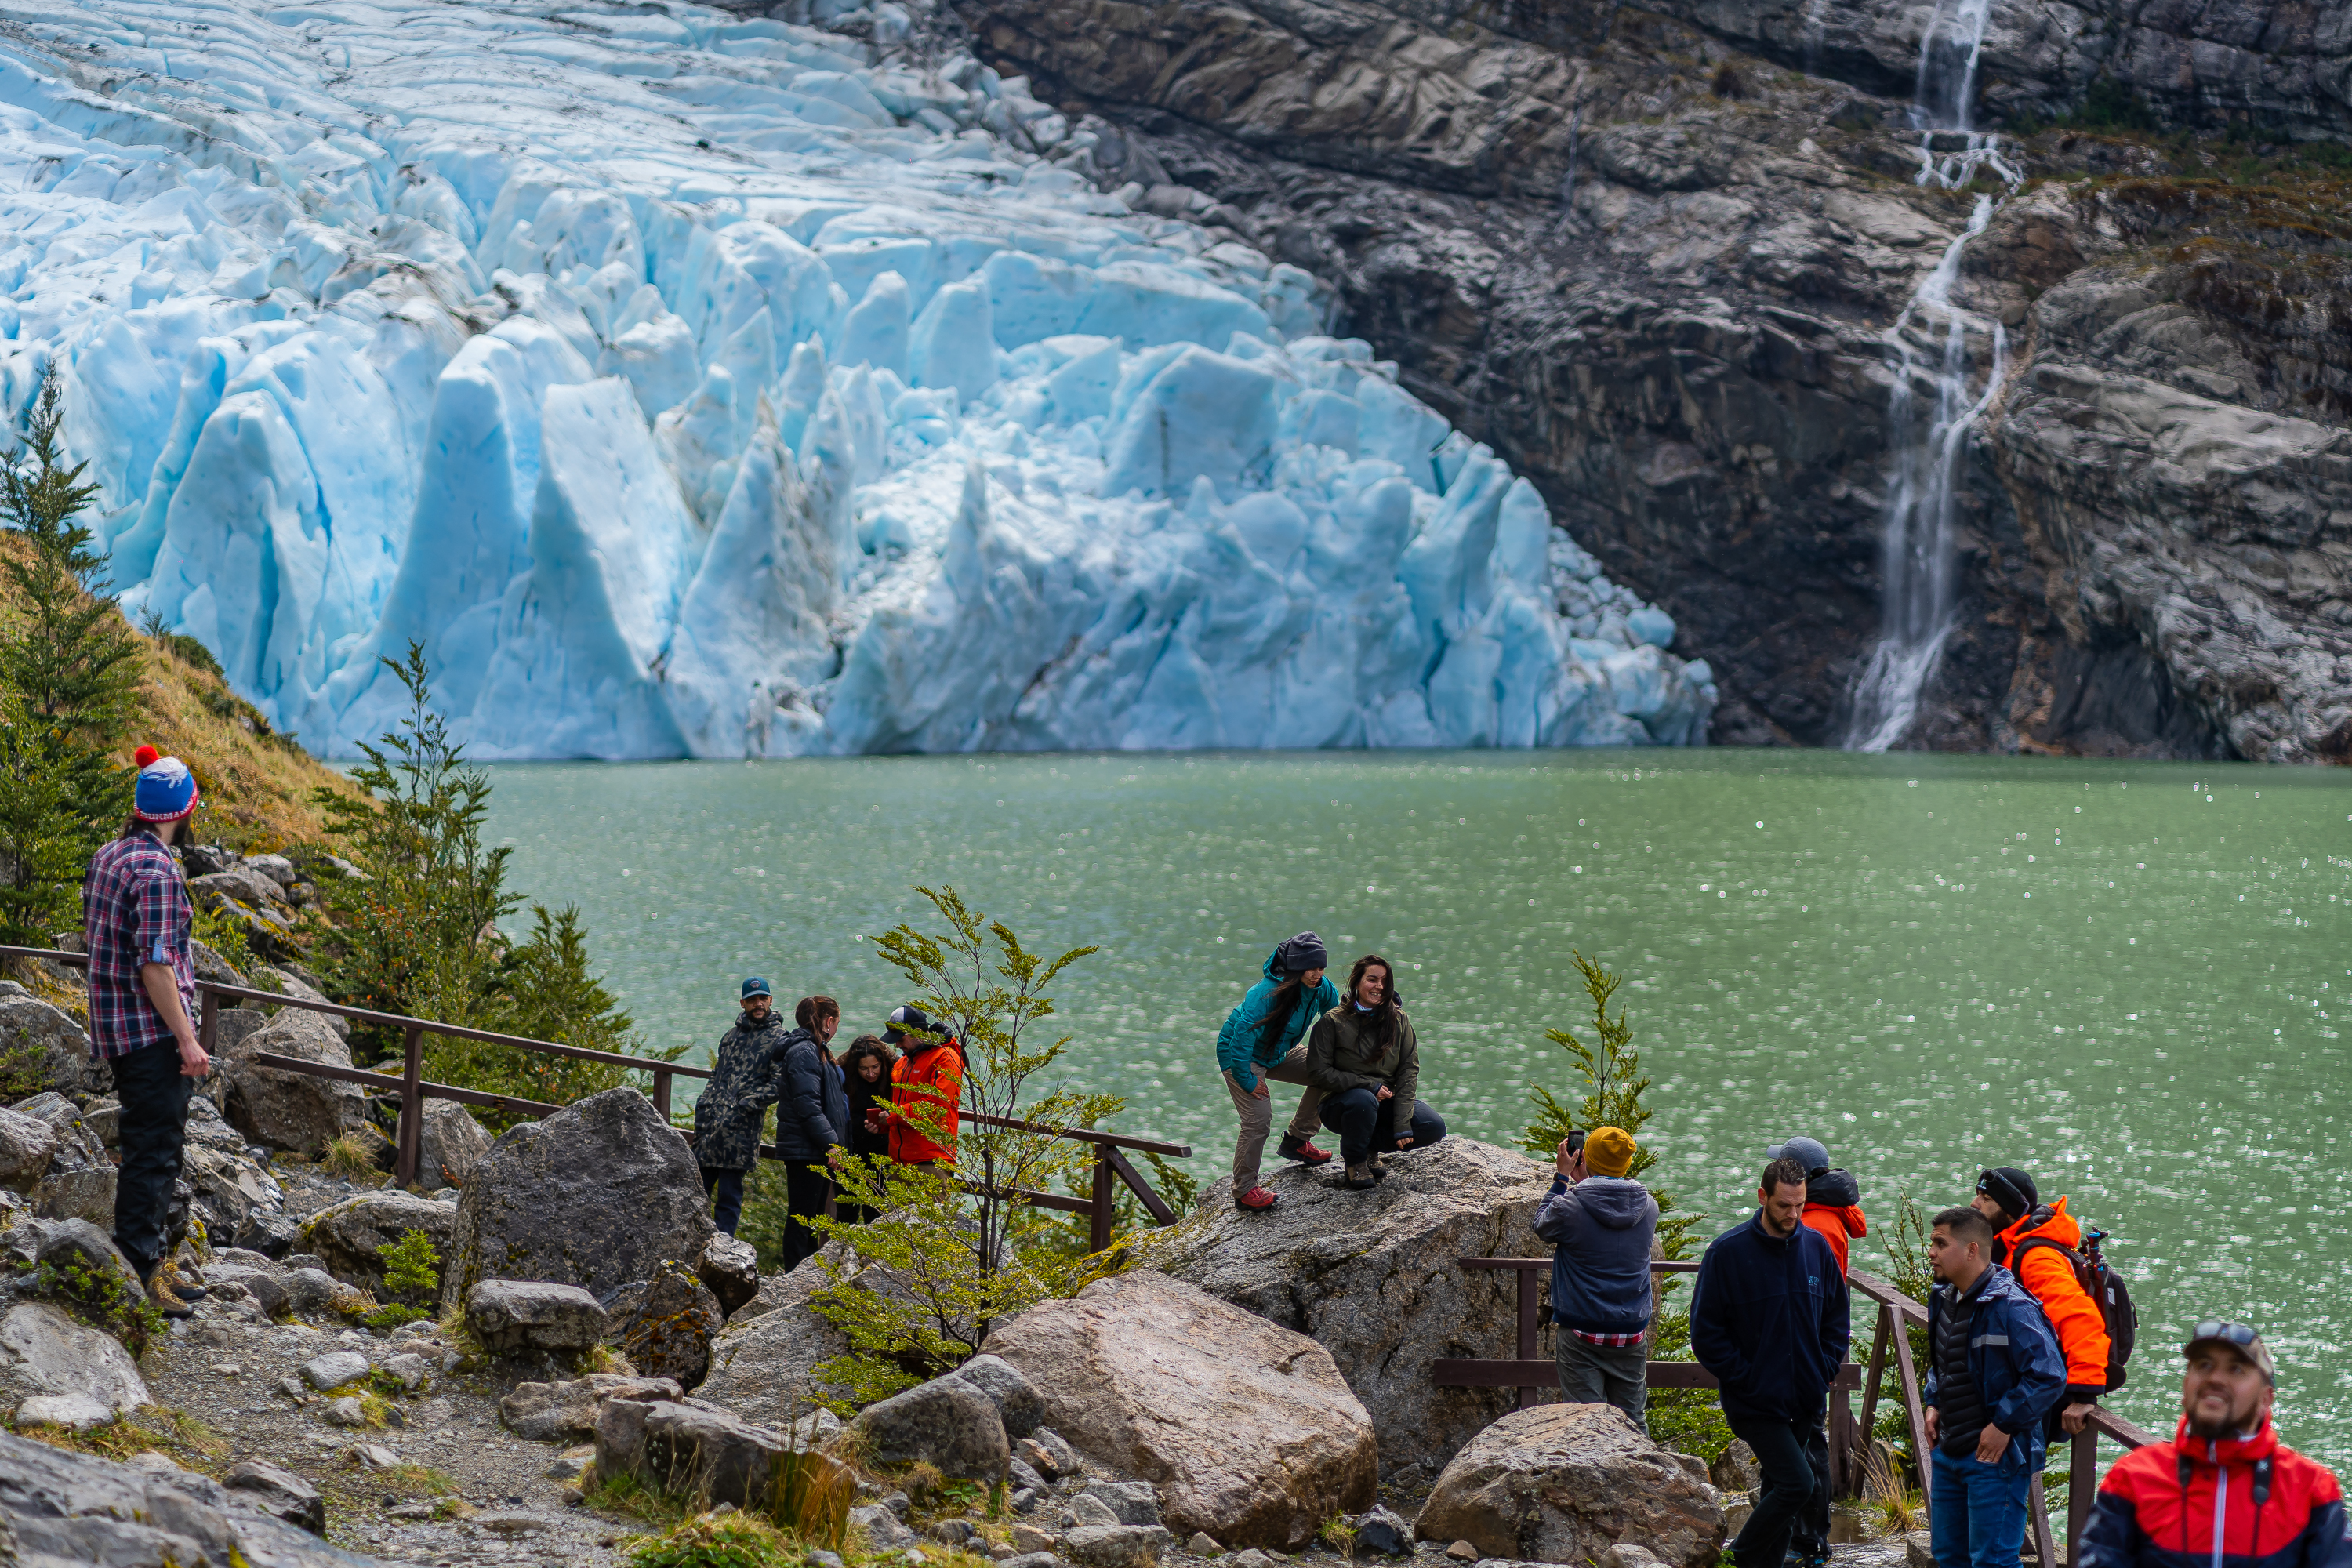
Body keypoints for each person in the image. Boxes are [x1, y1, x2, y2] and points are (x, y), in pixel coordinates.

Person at [84, 748, 211, 1317]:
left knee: (149, 1147)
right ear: (181, 811)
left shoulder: (109, 855)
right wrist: (186, 1039)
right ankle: (139, 1276)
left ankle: (152, 1260)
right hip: (152, 1035)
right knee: (154, 1154)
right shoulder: (158, 870)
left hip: (116, 1027)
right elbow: (156, 967)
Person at [2074, 1320, 2350, 1568]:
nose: (2216, 1379)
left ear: (2266, 1399)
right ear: (2185, 1385)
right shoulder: (2132, 1478)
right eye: (2204, 1365)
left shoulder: (2311, 1488)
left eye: (2236, 1369)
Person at [1691, 1156, 1852, 1568]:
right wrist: (1747, 1378)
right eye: (1784, 1205)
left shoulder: (1815, 1247)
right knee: (1797, 1484)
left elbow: (1837, 1317)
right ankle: (1737, 1560)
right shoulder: (1726, 1253)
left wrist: (1824, 1368)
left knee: (1778, 1485)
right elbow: (1706, 1335)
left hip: (1805, 1397)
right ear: (1763, 1197)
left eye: (1799, 1205)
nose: (1793, 1215)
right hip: (1755, 1401)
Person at [1923, 1206, 2067, 1568]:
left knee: (1993, 1562)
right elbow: (1942, 1358)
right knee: (1947, 1558)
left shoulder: (2013, 1306)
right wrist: (1933, 1402)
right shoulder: (1942, 1296)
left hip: (1995, 1460)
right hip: (1948, 1451)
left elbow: (2049, 1375)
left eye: (1941, 1243)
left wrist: (2003, 1424)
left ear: (1972, 1250)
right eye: (1931, 1242)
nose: (1931, 1252)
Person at [1769, 1134, 1870, 1568]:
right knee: (1796, 1445)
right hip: (1802, 1353)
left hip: (1805, 1356)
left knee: (1806, 1447)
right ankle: (1792, 1537)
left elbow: (1815, 1297)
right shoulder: (1823, 1216)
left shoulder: (1820, 1226)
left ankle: (1808, 1543)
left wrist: (1817, 1361)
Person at [1972, 1167, 2112, 1441]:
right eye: (1976, 1195)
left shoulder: (2036, 1257)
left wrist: (2085, 1393)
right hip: (2017, 1387)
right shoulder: (2008, 1246)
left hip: (2035, 1393)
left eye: (1986, 1200)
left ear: (2011, 1211)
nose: (1974, 1204)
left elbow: (2079, 1317)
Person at [1534, 1124, 1657, 1432]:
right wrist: (1587, 1180)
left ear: (1584, 1157)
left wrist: (1563, 1178)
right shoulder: (1649, 1207)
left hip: (1582, 1327)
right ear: (1627, 1164)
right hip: (1631, 1329)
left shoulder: (1571, 1205)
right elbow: (1611, 1204)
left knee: (1585, 1422)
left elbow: (1542, 1225)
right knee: (1632, 1421)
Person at [1214, 931, 1338, 1212]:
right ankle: (1244, 1189)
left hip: (1279, 1050)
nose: (1316, 974)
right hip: (1241, 1056)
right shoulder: (1265, 993)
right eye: (1311, 968)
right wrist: (1247, 1079)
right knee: (1258, 1120)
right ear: (1295, 967)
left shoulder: (1322, 988)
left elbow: (1338, 1019)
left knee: (1329, 1073)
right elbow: (1241, 1038)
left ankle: (1298, 1140)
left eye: (1321, 968)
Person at [1305, 955, 1446, 1189]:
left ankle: (1370, 1146)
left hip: (1385, 1101)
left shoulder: (1399, 1019)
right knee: (1363, 1099)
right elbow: (1318, 1073)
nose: (1379, 986)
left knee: (1433, 1126)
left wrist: (1402, 1124)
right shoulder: (1332, 1022)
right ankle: (1355, 1160)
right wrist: (1368, 1085)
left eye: (1384, 981)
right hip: (1342, 1104)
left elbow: (1409, 1071)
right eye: (1372, 979)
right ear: (1357, 982)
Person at [691, 978, 792, 1235]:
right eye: (752, 999)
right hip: (711, 1128)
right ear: (742, 1003)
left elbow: (778, 1085)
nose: (757, 1004)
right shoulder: (731, 1036)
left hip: (740, 1132)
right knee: (694, 1193)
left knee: (728, 1197)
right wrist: (704, 1107)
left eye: (762, 999)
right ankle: (691, 1250)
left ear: (771, 1000)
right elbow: (716, 1077)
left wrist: (743, 1106)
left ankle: (721, 1258)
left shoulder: (780, 1039)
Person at [774, 995, 847, 1270]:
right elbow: (808, 1105)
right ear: (829, 1021)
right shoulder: (806, 1051)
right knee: (802, 1217)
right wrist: (831, 1142)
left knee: (812, 1217)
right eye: (837, 1021)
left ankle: (803, 1274)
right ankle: (794, 1276)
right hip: (807, 1148)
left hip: (812, 1146)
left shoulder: (815, 1049)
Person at [866, 1004, 963, 1167]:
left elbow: (936, 1107)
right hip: (899, 1161)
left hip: (932, 1161)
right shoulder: (902, 1064)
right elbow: (900, 1110)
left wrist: (892, 1116)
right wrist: (884, 1123)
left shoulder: (945, 1057)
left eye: (900, 1039)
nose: (897, 1045)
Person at [838, 1034, 895, 1223]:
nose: (870, 1074)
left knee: (876, 1209)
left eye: (875, 1067)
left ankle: (874, 1252)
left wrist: (885, 1119)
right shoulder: (844, 1073)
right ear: (856, 1067)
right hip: (851, 1148)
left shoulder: (895, 1070)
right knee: (846, 1209)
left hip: (881, 1150)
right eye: (864, 1068)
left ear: (883, 1063)